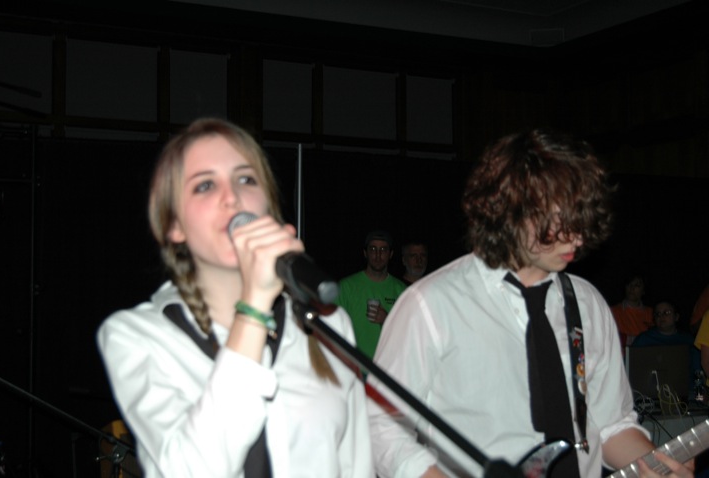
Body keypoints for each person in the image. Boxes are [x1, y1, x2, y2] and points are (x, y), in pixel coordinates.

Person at [367, 129, 693, 478]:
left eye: (581, 218)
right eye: (561, 220)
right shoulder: (431, 304)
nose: (577, 237)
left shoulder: (587, 304)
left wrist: (656, 464)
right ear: (509, 210)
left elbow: (611, 425)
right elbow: (381, 427)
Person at [96, 118, 374, 477]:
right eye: (205, 185)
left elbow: (356, 464)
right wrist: (254, 307)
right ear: (173, 225)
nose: (232, 198)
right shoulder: (137, 337)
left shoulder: (328, 324)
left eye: (246, 180)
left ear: (267, 204)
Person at [336, 230, 406, 359]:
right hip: (354, 365)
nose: (378, 255)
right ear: (365, 253)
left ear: (390, 254)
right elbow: (332, 328)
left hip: (389, 366)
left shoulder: (402, 290)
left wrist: (387, 320)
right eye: (373, 249)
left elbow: (410, 334)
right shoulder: (346, 287)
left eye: (383, 249)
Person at [611, 275, 654, 347]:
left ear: (643, 291)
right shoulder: (613, 311)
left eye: (637, 285)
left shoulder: (651, 313)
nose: (632, 288)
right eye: (629, 284)